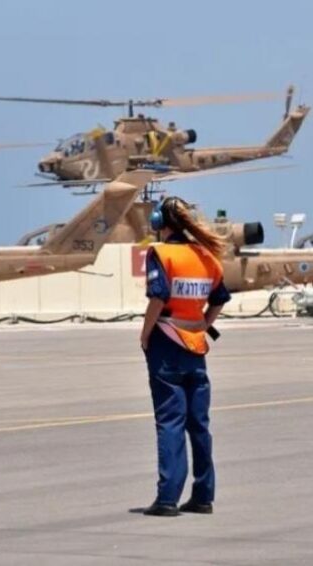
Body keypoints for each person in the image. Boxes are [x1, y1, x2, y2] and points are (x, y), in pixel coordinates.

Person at [140, 196, 231, 517]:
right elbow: (220, 298)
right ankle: (203, 496)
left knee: (170, 421)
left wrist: (145, 333)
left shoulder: (161, 254)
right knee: (199, 424)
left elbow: (158, 298)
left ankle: (167, 498)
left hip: (166, 345)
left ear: (159, 222)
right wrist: (203, 323)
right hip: (196, 347)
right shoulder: (207, 256)